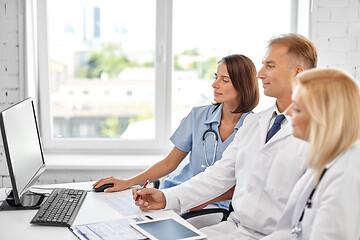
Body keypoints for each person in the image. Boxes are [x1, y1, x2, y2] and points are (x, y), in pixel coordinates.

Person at [132, 33, 318, 239]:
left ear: (298, 72)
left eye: (270, 66)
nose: (260, 73)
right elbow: (218, 175)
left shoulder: (319, 134)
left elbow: (314, 216)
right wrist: (166, 197)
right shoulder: (253, 123)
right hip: (234, 228)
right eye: (263, 64)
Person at [94, 54, 260, 210]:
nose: (215, 84)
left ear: (243, 85)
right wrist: (128, 182)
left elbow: (244, 184)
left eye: (224, 80)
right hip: (174, 191)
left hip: (213, 206)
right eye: (215, 77)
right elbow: (169, 163)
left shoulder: (255, 128)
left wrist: (201, 200)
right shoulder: (198, 116)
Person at [262, 69, 360, 240]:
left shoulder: (346, 175)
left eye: (298, 109)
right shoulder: (326, 160)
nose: (289, 113)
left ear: (324, 116)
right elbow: (289, 232)